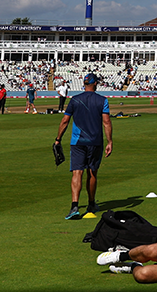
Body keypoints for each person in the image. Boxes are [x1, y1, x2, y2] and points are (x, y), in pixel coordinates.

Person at [55, 73, 112, 219]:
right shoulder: (102, 100)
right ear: (95, 84)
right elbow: (106, 122)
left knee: (77, 172)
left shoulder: (75, 100)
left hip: (77, 142)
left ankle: (74, 206)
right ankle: (91, 204)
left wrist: (58, 139)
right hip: (95, 141)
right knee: (92, 173)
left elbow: (65, 121)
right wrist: (109, 141)